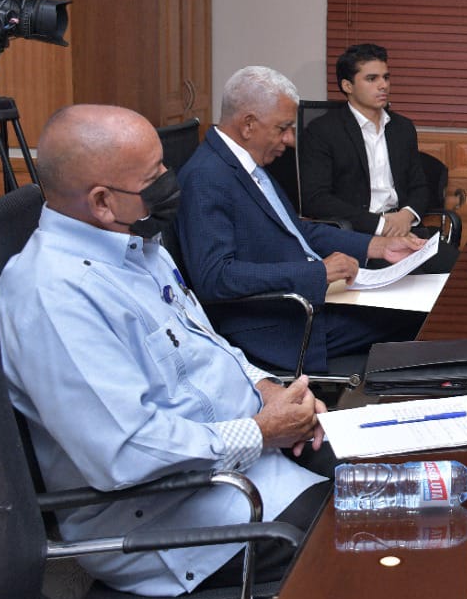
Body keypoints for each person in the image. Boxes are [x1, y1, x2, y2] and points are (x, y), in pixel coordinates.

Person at [0, 104, 331, 597]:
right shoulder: (52, 295)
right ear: (102, 201)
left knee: (398, 473)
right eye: (154, 178)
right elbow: (126, 451)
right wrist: (262, 431)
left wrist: (268, 390)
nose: (171, 184)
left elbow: (209, 347)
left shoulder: (137, 245)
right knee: (366, 533)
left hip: (247, 460)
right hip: (177, 515)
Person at [177, 66, 427, 374]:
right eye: (282, 128)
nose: (290, 140)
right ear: (248, 125)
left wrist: (377, 246)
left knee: (415, 300)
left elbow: (296, 231)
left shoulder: (245, 164)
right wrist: (317, 273)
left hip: (307, 302)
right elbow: (215, 277)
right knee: (419, 316)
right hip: (279, 326)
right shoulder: (206, 177)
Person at [299, 43, 457, 272]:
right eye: (372, 79)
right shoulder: (323, 131)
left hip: (405, 228)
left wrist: (406, 215)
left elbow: (420, 187)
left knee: (459, 272)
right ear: (347, 86)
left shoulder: (402, 128)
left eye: (386, 77)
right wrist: (380, 225)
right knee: (411, 282)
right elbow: (316, 198)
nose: (383, 85)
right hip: (359, 236)